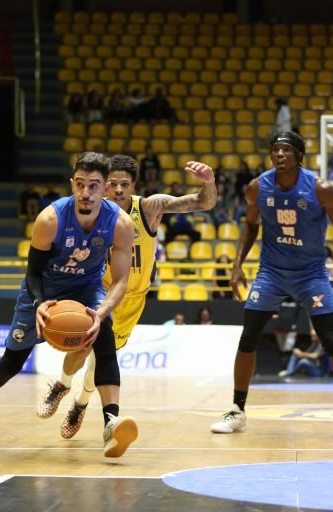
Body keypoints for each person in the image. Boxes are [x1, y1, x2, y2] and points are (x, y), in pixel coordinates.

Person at [37, 154, 216, 441]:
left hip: (132, 299)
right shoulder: (91, 210)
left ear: (133, 186)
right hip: (97, 294)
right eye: (113, 184)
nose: (119, 190)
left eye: (125, 184)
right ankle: (62, 384)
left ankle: (80, 405)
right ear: (103, 185)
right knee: (81, 349)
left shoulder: (149, 207)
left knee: (99, 364)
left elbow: (202, 203)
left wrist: (209, 182)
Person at [0, 152, 138, 458]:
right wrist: (38, 302)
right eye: (80, 184)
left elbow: (120, 282)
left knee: (105, 339)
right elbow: (32, 271)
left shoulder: (120, 223)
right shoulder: (51, 218)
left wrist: (102, 313)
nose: (85, 193)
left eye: (93, 186)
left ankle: (111, 423)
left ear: (105, 188)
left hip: (87, 289)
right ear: (72, 183)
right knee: (12, 362)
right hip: (45, 289)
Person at [211, 131, 333, 437]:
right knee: (249, 337)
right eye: (274, 150)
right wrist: (237, 265)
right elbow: (251, 225)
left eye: (285, 150)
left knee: (330, 341)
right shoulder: (257, 187)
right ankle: (237, 410)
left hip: (311, 273)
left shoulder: (321, 189)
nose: (279, 154)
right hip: (271, 271)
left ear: (298, 155)